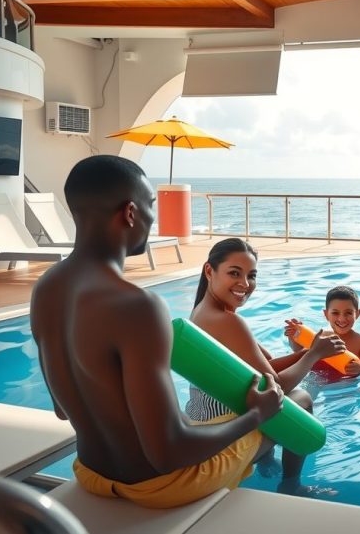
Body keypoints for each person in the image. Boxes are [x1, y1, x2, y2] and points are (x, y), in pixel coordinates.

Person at [30, 156, 283, 509]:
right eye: (151, 206)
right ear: (130, 213)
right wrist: (258, 414)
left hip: (90, 473)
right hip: (163, 486)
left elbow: (61, 408)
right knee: (292, 405)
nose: (154, 217)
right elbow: (168, 453)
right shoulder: (137, 306)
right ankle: (292, 487)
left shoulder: (46, 289)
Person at [187, 237, 345, 496]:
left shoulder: (202, 312)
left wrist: (306, 351)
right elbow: (276, 388)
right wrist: (313, 356)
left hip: (199, 423)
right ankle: (292, 485)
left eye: (252, 275)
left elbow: (262, 366)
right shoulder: (226, 321)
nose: (245, 284)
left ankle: (265, 461)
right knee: (302, 399)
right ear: (209, 271)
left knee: (262, 391)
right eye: (234, 273)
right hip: (219, 441)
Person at [283, 286, 360, 376]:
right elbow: (299, 352)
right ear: (326, 314)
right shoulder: (321, 338)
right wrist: (293, 337)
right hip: (319, 382)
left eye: (348, 313)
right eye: (335, 313)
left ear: (357, 314)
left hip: (349, 386)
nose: (342, 319)